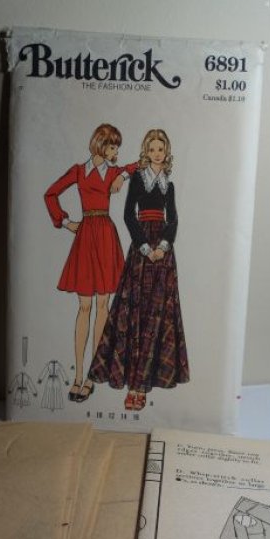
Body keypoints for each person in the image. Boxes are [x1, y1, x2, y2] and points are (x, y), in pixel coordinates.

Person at [88, 128, 189, 410]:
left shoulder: (169, 185)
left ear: (166, 153)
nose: (157, 153)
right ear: (146, 151)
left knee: (157, 314)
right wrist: (145, 247)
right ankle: (132, 385)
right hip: (140, 248)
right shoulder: (136, 179)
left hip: (163, 252)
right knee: (136, 312)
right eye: (152, 149)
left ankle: (142, 387)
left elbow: (174, 219)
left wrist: (163, 247)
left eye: (161, 149)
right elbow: (127, 215)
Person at [44, 124, 138, 402]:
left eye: (117, 147)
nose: (115, 151)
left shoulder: (113, 172)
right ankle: (77, 376)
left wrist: (122, 175)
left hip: (106, 236)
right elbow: (50, 193)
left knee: (102, 305)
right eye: (112, 146)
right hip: (86, 235)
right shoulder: (77, 171)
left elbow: (138, 163)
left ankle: (91, 376)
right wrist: (64, 222)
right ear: (100, 144)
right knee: (84, 306)